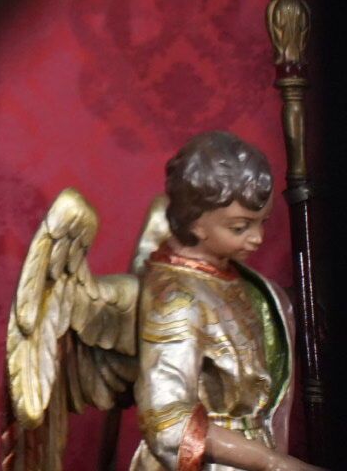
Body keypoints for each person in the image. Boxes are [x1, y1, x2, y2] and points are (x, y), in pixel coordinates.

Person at [132, 131, 318, 471]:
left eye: (263, 223)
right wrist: (278, 464)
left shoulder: (239, 282)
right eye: (240, 227)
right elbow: (168, 425)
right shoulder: (176, 298)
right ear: (197, 220)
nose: (258, 238)